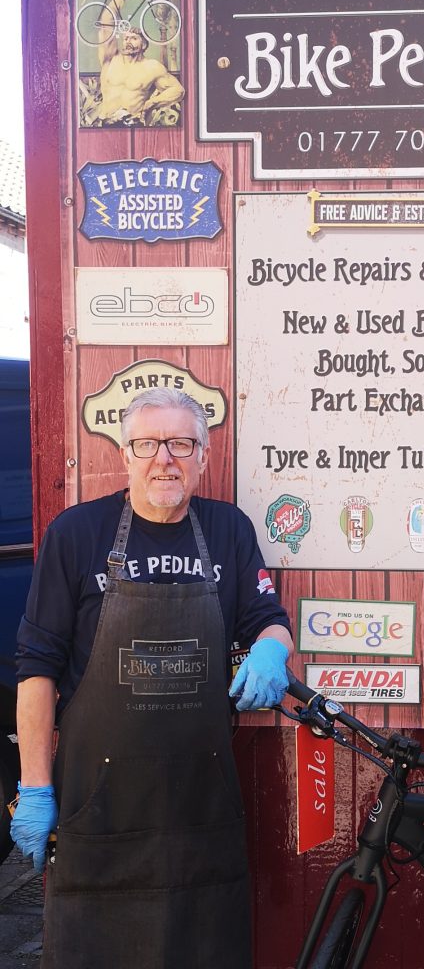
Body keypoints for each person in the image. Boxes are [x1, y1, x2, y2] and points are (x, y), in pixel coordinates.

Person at [11, 387, 293, 969]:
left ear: (204, 456)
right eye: (147, 444)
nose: (164, 458)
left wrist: (272, 652)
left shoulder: (228, 529)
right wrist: (35, 789)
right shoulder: (76, 533)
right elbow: (36, 668)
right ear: (125, 454)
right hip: (98, 808)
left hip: (200, 808)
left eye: (181, 443)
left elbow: (272, 622)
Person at [84, 0, 184, 126]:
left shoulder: (152, 67)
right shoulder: (110, 58)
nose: (128, 41)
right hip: (105, 124)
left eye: (134, 38)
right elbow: (106, 24)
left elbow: (178, 91)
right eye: (125, 38)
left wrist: (151, 103)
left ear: (144, 44)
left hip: (132, 124)